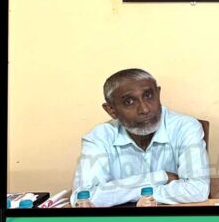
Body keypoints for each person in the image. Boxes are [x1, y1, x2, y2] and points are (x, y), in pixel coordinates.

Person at [71, 69, 210, 206]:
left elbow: (197, 189)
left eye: (148, 96)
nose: (144, 109)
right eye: (129, 101)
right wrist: (161, 177)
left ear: (158, 94)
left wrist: (118, 194)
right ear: (111, 110)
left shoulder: (185, 127)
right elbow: (83, 198)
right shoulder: (98, 137)